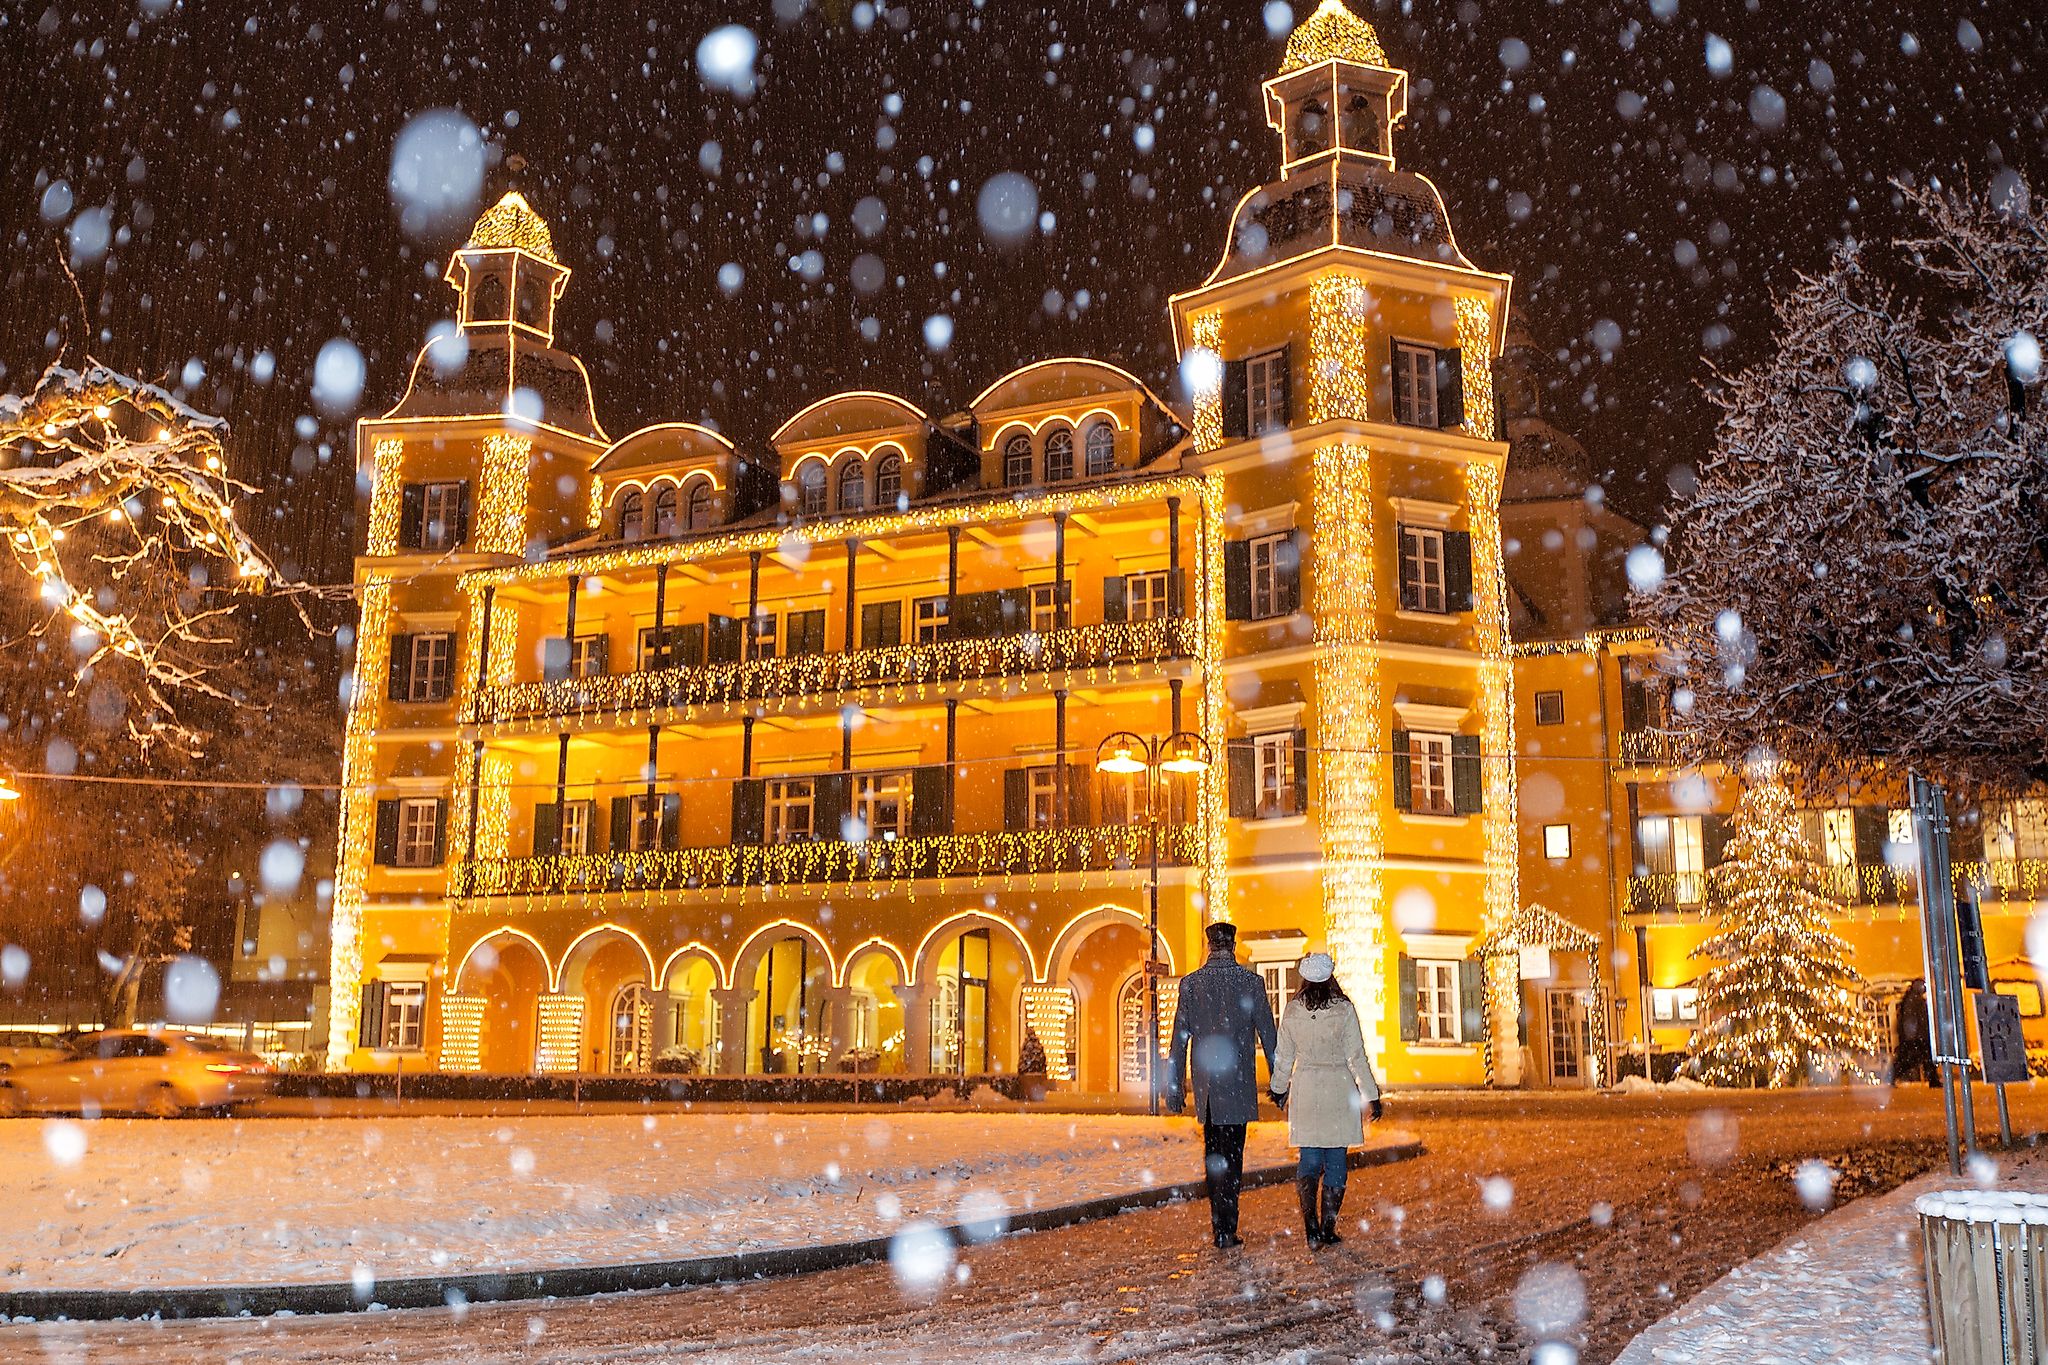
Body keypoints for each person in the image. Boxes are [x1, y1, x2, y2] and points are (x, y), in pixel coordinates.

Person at [1165, 920, 1278, 1249]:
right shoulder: (1251, 982)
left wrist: (1175, 1086)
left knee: (1214, 1154)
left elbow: (1178, 1040)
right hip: (1239, 1085)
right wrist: (1279, 1079)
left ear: (1210, 945)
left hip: (1209, 1088)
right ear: (1231, 944)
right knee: (1234, 1156)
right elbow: (1268, 1035)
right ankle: (1228, 1224)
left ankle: (1220, 1225)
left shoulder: (1191, 984)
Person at [1268, 952, 1382, 1247]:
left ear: (1304, 978)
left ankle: (1311, 1227)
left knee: (1309, 1158)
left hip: (1306, 1088)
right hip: (1337, 1087)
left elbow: (1284, 1058)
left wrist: (1279, 1088)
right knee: (1335, 1160)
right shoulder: (1343, 1010)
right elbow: (1357, 1057)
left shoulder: (1293, 1011)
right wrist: (1372, 1094)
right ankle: (1328, 1226)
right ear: (1331, 977)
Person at [1892, 979, 1938, 1088]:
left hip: (1917, 1036)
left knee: (1919, 1059)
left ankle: (1933, 1079)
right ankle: (1933, 1079)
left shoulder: (1914, 1000)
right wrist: (1912, 1035)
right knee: (1912, 1059)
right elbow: (1911, 1019)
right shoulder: (1914, 1000)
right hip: (1916, 1036)